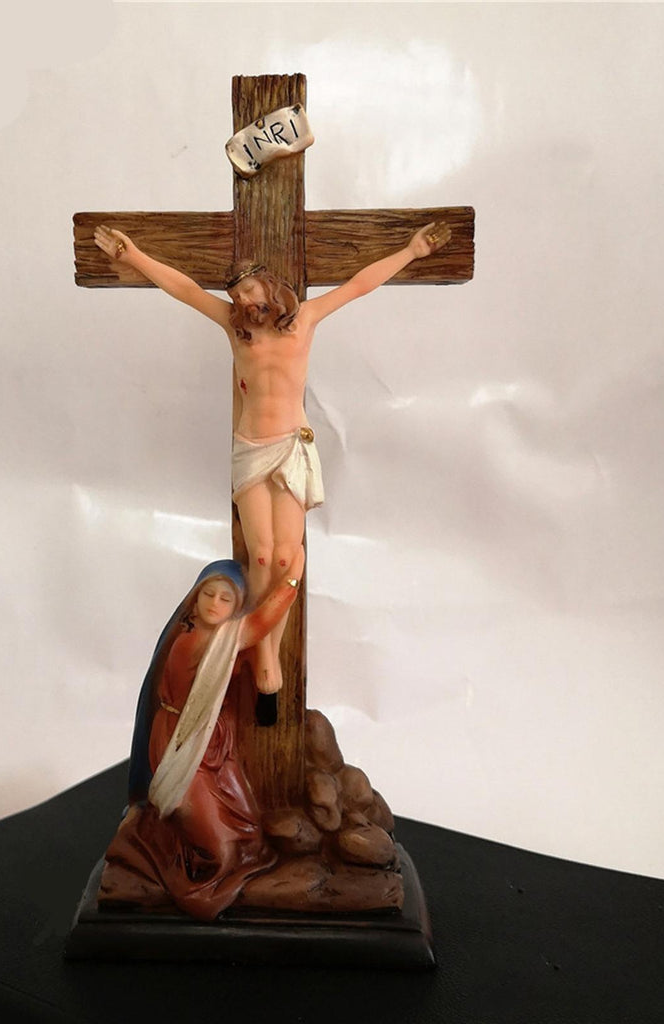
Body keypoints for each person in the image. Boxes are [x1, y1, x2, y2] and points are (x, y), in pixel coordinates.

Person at [93, 220, 451, 696]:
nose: (243, 300)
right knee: (261, 555)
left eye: (248, 290)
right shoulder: (235, 328)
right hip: (251, 448)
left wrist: (411, 251)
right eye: (236, 295)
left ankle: (267, 647)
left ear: (267, 284)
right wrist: (133, 256)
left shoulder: (305, 320)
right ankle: (262, 648)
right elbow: (184, 289)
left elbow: (358, 285)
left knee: (286, 556)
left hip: (291, 446)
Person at [102, 553, 304, 921]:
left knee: (248, 831)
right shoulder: (195, 642)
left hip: (215, 745)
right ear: (194, 598)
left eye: (226, 599)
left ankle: (175, 828)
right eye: (208, 594)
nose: (214, 603)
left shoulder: (222, 640)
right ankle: (157, 843)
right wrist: (291, 577)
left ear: (235, 607)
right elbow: (261, 622)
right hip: (182, 742)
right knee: (219, 853)